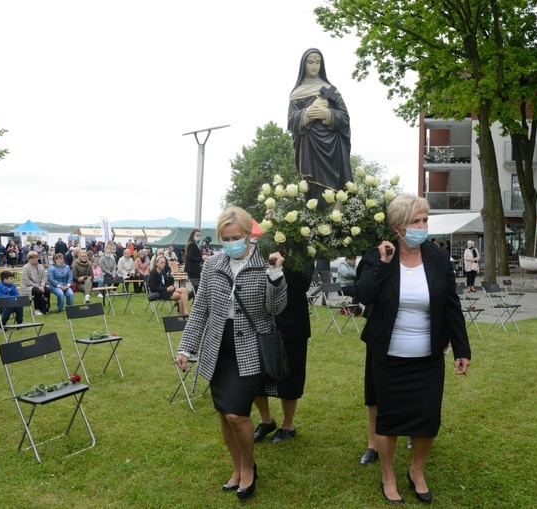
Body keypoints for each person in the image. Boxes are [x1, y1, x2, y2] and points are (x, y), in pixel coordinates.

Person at [356, 194, 471, 504]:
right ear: (398, 228)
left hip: (428, 355)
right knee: (388, 420)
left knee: (427, 418)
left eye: (425, 220)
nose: (423, 226)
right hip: (388, 355)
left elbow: (451, 306)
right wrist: (383, 263)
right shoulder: (377, 256)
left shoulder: (437, 258)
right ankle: (389, 474)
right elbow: (363, 294)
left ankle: (416, 471)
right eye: (415, 222)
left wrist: (462, 349)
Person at [175, 207, 287, 501]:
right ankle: (237, 468)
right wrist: (187, 346)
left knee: (237, 414)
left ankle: (249, 468)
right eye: (225, 238)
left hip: (249, 347)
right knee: (224, 415)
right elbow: (201, 309)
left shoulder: (266, 263)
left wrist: (276, 276)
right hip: (218, 348)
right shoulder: (213, 265)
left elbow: (276, 309)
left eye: (235, 237)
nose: (230, 242)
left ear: (249, 235)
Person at [253, 265, 314, 444]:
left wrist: (285, 264)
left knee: (292, 374)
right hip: (262, 318)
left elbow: (304, 283)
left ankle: (288, 425)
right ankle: (266, 420)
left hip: (294, 321)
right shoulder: (262, 249)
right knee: (256, 372)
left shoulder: (304, 252)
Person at [288, 48, 353, 205]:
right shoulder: (297, 93)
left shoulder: (331, 90)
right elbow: (291, 122)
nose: (314, 66)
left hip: (334, 148)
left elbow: (344, 118)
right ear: (303, 65)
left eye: (318, 62)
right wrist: (309, 112)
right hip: (310, 148)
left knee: (337, 190)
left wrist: (326, 114)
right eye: (310, 62)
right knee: (315, 191)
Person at [20, 251, 51, 315]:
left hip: (40, 285)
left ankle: (46, 307)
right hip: (28, 286)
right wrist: (37, 286)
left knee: (47, 290)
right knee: (38, 291)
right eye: (32, 258)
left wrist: (42, 285)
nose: (34, 259)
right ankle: (37, 309)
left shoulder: (41, 267)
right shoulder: (25, 267)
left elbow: (44, 277)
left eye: (36, 257)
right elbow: (26, 280)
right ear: (29, 259)